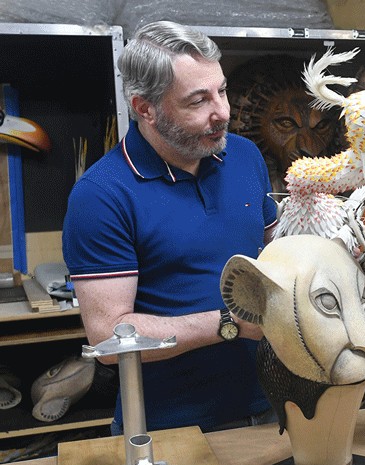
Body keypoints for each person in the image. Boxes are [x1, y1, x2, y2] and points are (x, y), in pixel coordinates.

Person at [62, 21, 277, 434]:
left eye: (222, 91)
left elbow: (277, 253)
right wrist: (230, 323)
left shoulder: (244, 156)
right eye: (198, 101)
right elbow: (110, 337)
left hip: (271, 405)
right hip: (172, 427)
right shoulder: (102, 196)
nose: (223, 113)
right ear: (145, 108)